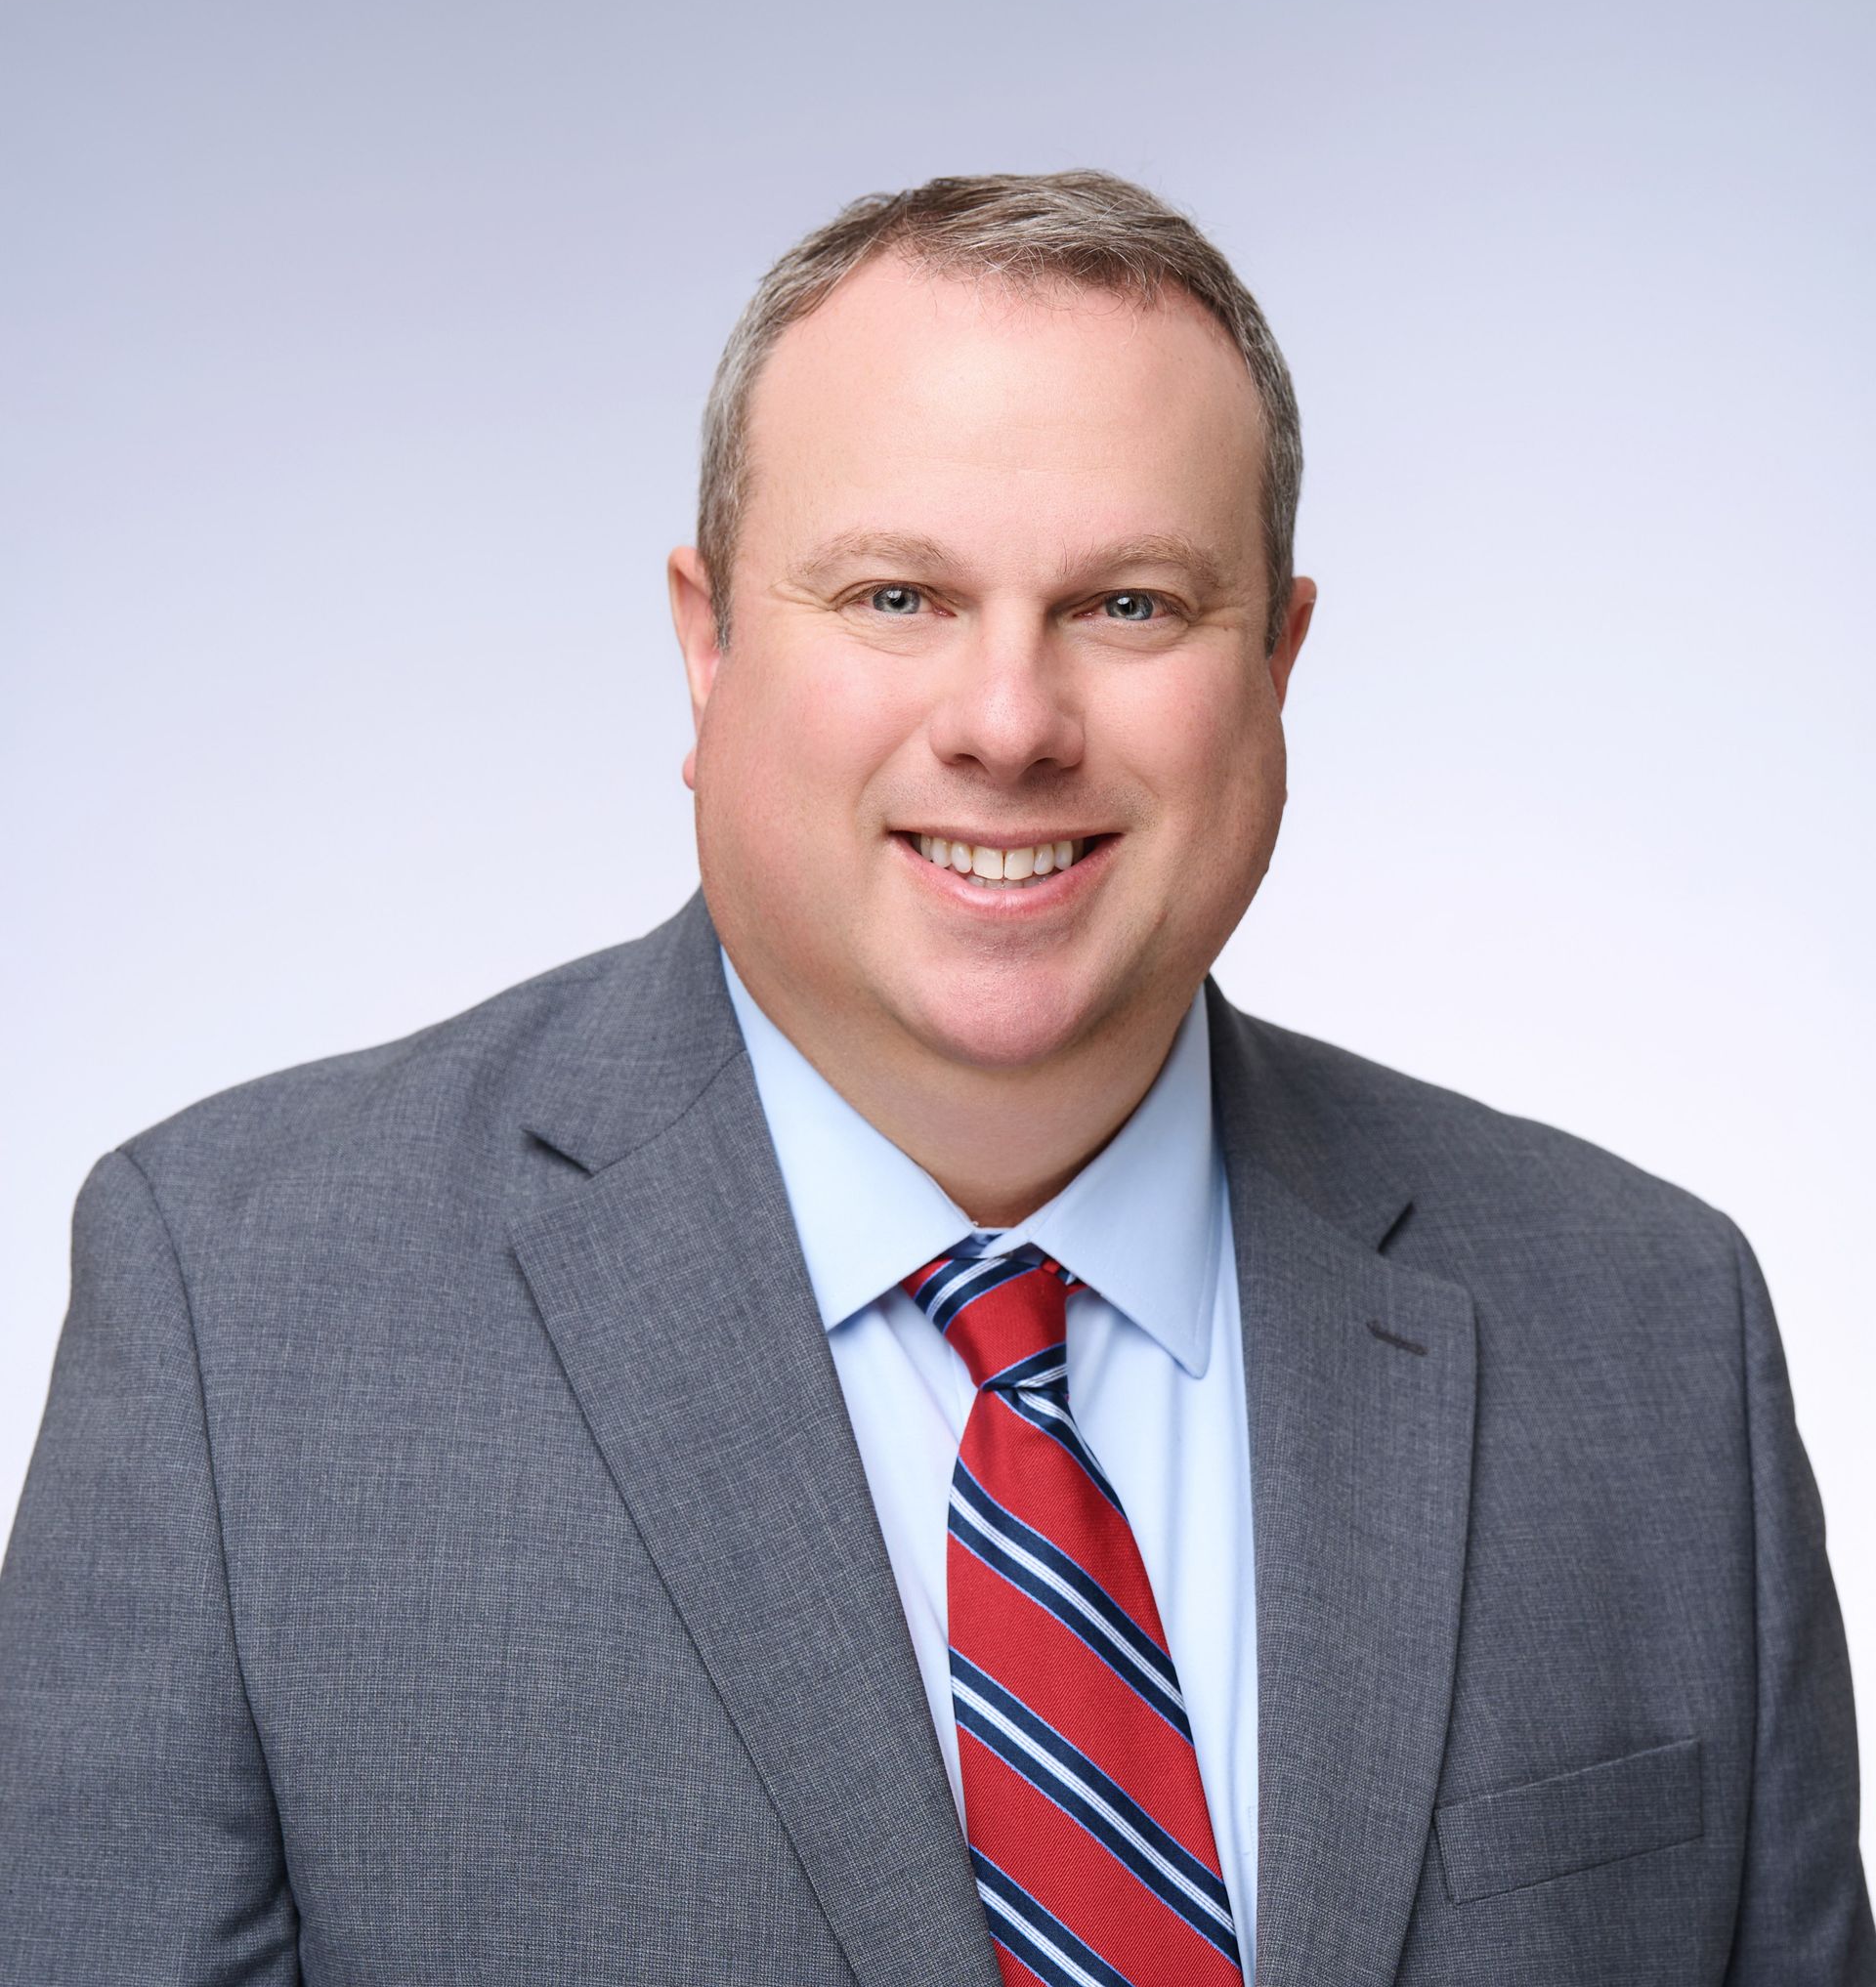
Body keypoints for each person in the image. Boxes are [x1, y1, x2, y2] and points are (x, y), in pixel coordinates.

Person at [0, 169, 1867, 1987]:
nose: (1008, 721)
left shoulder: (1649, 1332)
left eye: (1131, 605)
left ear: (1280, 664)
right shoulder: (242, 1321)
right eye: (897, 596)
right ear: (707, 640)